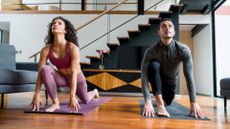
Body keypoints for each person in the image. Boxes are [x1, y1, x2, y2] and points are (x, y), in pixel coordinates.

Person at [31, 16, 99, 113]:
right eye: (54, 23)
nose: (55, 24)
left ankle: (94, 92)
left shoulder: (72, 48)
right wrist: (36, 94)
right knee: (45, 69)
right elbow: (40, 73)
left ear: (65, 31)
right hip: (61, 78)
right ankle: (55, 103)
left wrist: (72, 96)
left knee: (85, 100)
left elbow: (74, 72)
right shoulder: (46, 50)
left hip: (77, 79)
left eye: (59, 23)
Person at [141, 18, 205, 119]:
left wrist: (193, 102)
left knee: (169, 101)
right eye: (163, 26)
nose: (167, 28)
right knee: (154, 65)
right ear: (159, 32)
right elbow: (144, 76)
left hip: (170, 84)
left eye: (170, 26)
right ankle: (160, 105)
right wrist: (147, 101)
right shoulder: (151, 51)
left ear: (174, 32)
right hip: (155, 79)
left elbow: (189, 77)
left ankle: (164, 101)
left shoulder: (183, 50)